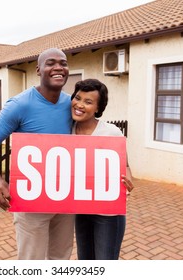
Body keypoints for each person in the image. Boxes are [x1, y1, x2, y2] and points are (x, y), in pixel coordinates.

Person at [0, 48, 75, 260]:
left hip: (66, 197)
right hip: (32, 199)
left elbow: (95, 136)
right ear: (38, 70)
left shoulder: (72, 104)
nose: (59, 67)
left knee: (61, 258)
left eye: (63, 63)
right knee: (32, 261)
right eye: (51, 63)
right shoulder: (20, 104)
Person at [70, 78, 135, 260]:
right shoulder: (67, 131)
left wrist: (128, 179)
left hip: (108, 214)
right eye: (78, 98)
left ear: (98, 108)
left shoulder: (111, 133)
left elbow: (126, 165)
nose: (80, 105)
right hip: (81, 211)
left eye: (88, 102)